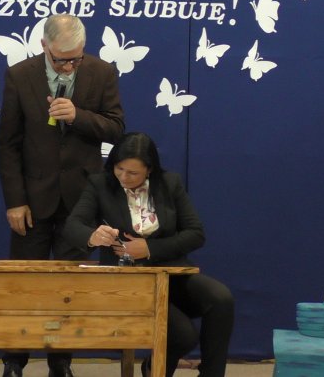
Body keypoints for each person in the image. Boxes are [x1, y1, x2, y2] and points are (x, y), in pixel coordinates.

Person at [0, 13, 125, 377]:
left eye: (75, 60)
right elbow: (8, 145)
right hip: (32, 200)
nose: (69, 66)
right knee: (24, 283)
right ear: (44, 46)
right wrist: (15, 201)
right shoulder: (19, 76)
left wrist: (78, 116)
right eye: (61, 60)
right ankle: (14, 361)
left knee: (70, 284)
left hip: (80, 201)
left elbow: (116, 128)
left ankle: (61, 362)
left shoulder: (102, 73)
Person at [63, 132, 234, 377]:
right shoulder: (99, 184)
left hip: (171, 275)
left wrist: (150, 248)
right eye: (119, 169)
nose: (124, 177)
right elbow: (73, 226)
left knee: (221, 298)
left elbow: (195, 233)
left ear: (149, 170)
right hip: (128, 284)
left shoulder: (170, 183)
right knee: (183, 335)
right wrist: (93, 236)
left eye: (133, 173)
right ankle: (153, 369)